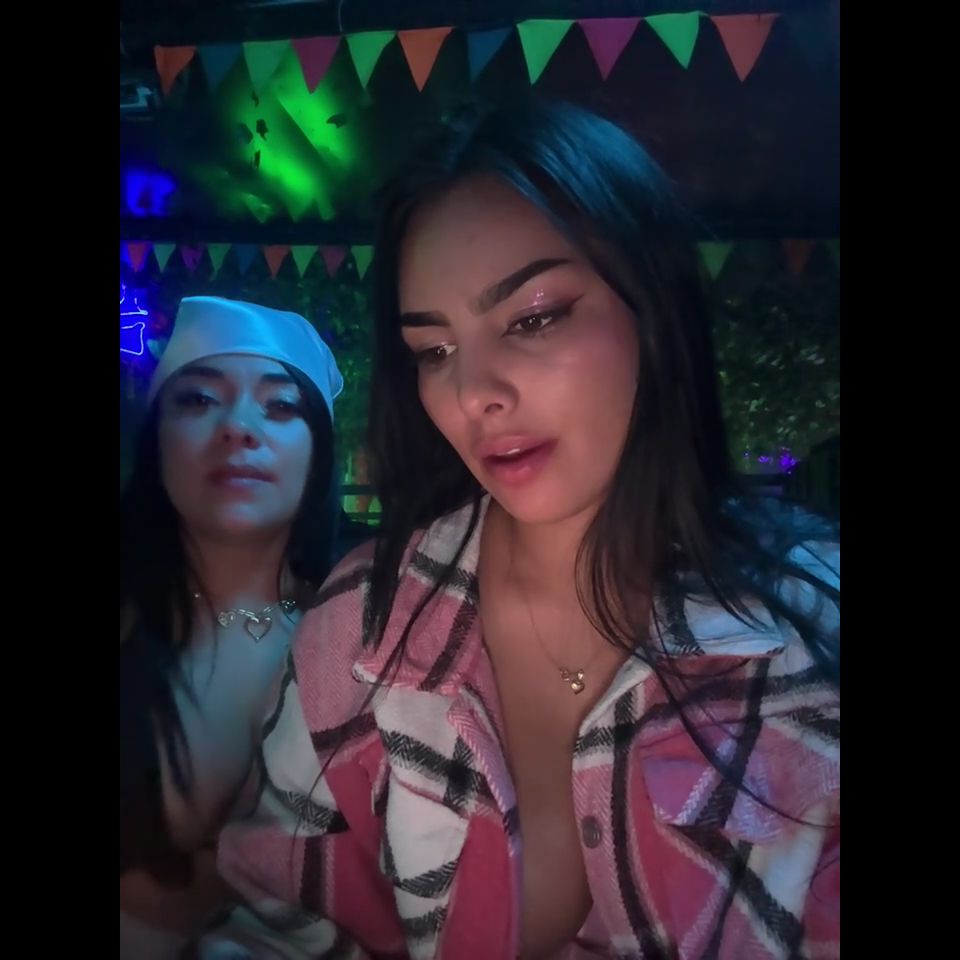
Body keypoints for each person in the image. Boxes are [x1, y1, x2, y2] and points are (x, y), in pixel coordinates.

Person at [201, 100, 839, 959]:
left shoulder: (812, 627)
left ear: (653, 307)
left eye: (534, 317)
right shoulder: (364, 626)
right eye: (434, 351)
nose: (473, 394)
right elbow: (275, 926)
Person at [119, 296, 344, 957]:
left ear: (319, 453)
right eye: (198, 400)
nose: (239, 427)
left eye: (280, 406)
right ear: (155, 440)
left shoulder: (367, 641)